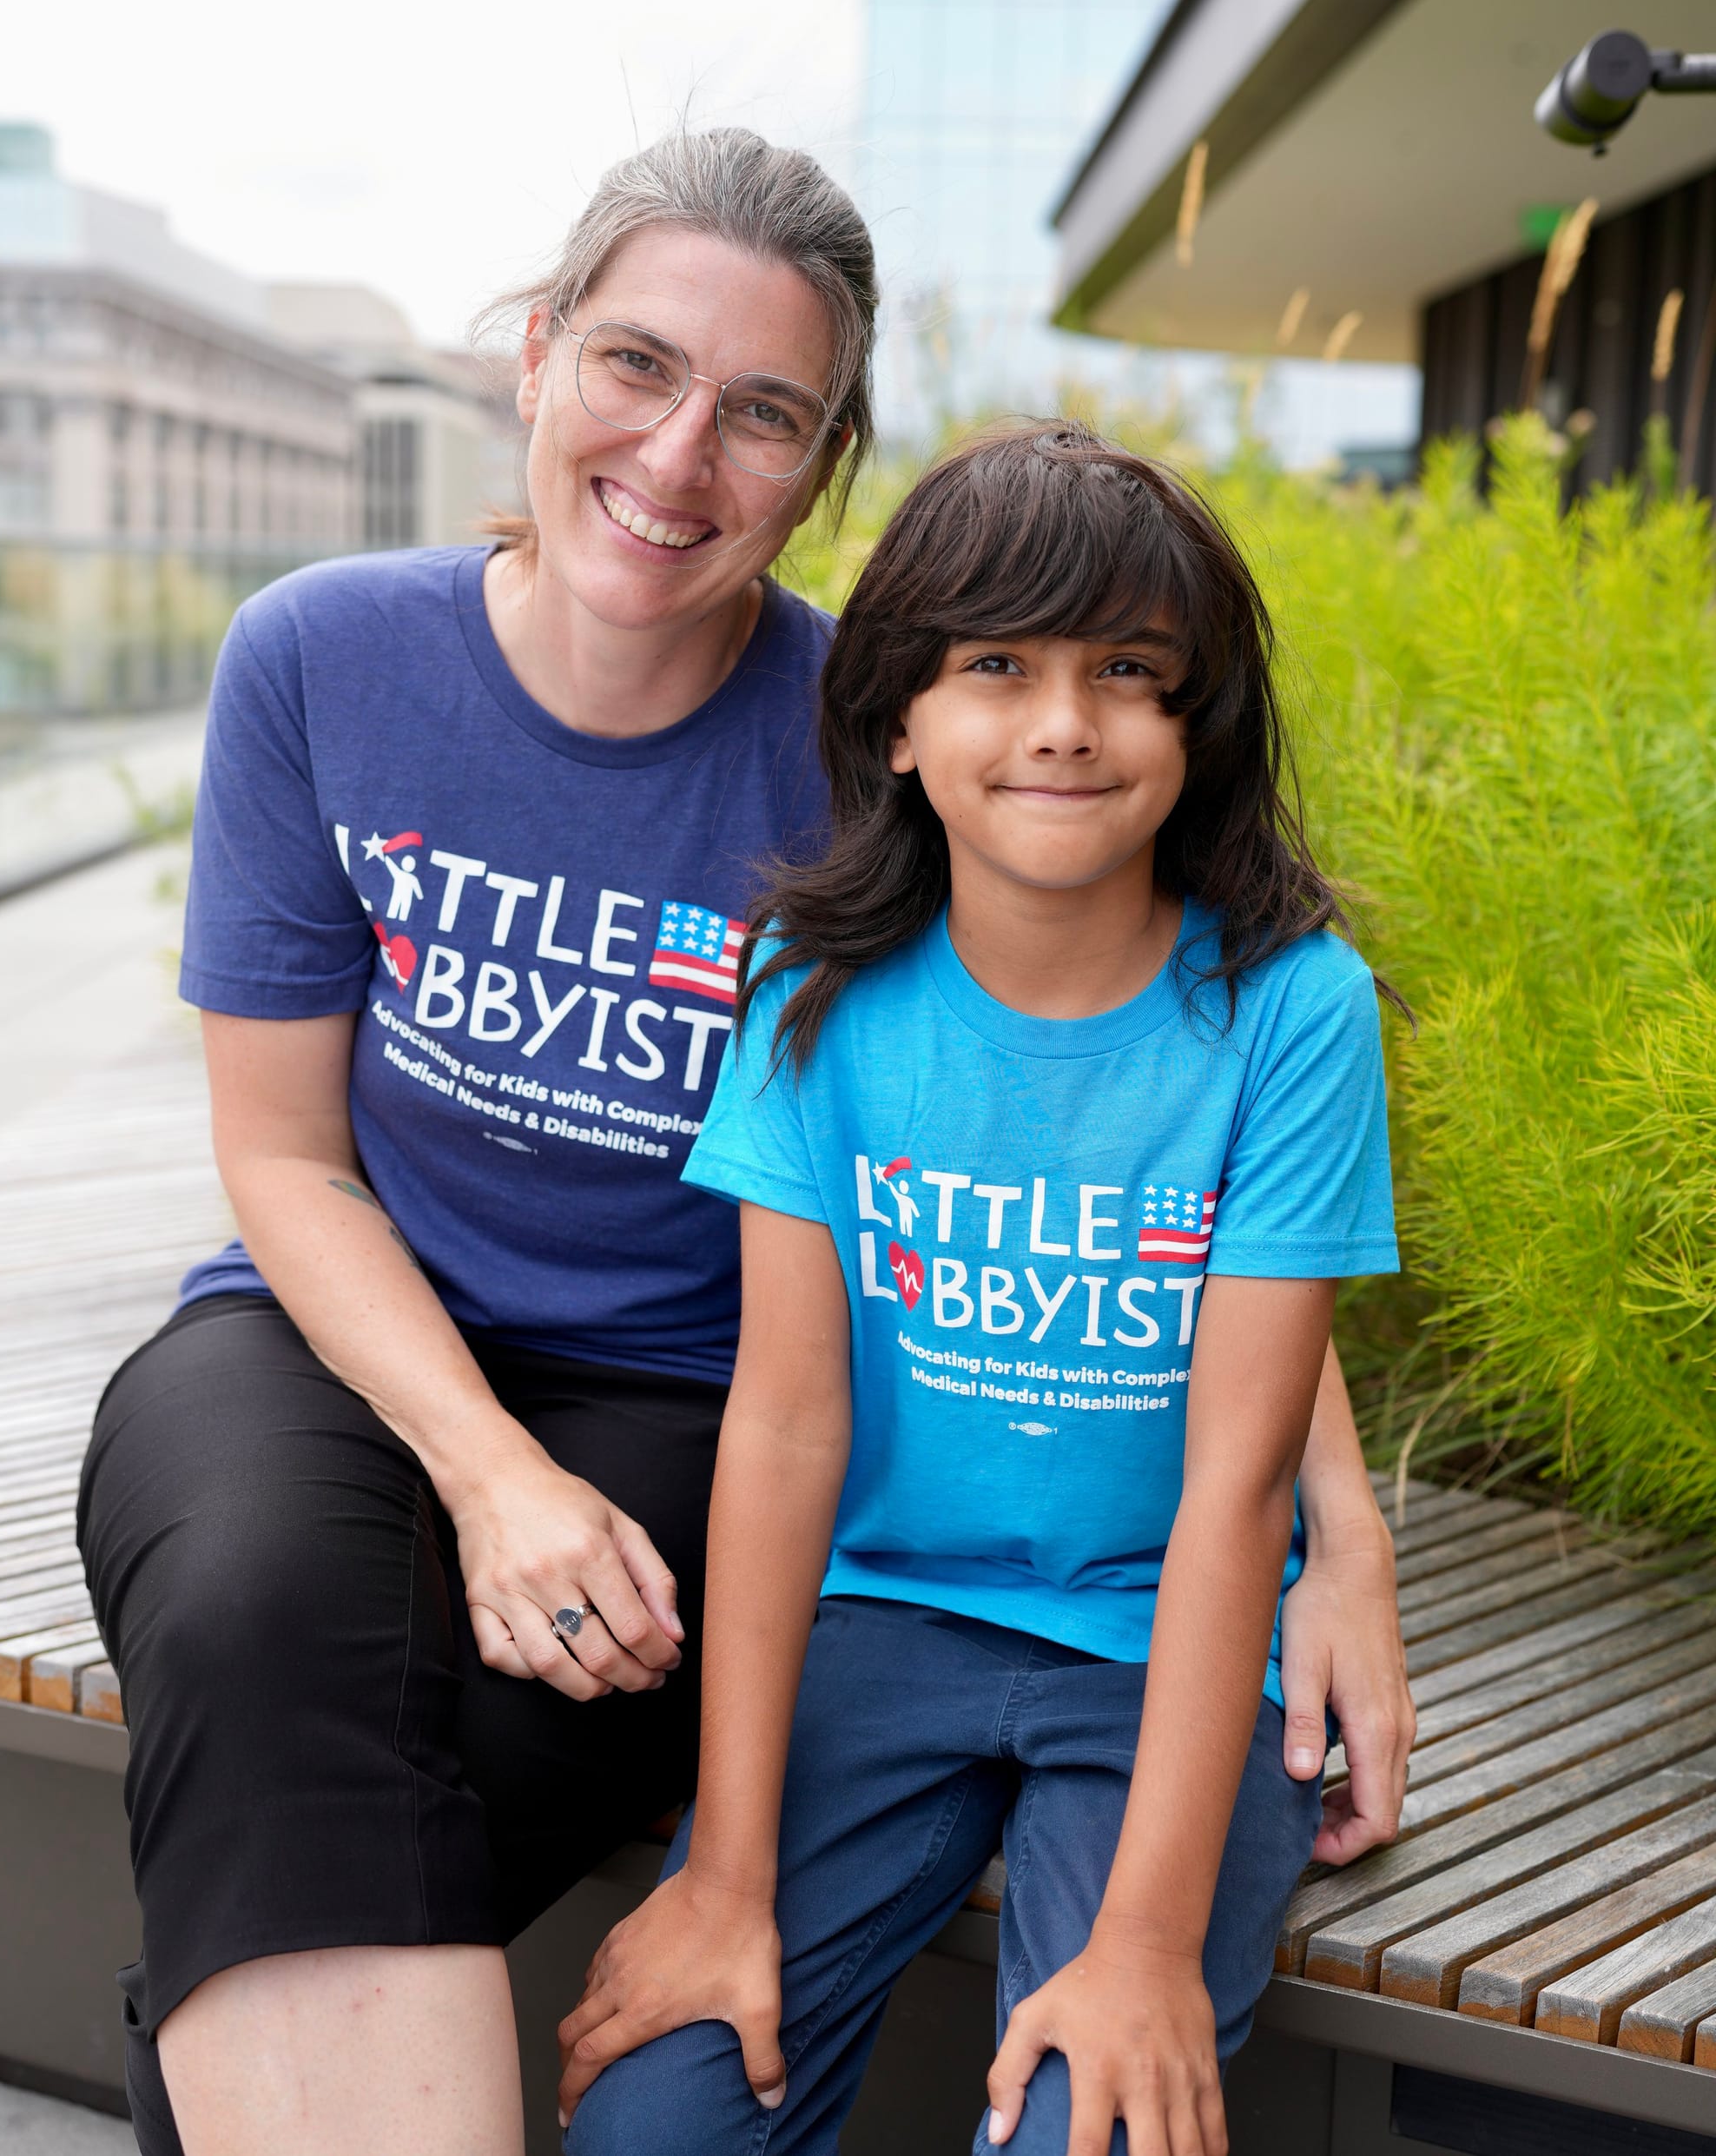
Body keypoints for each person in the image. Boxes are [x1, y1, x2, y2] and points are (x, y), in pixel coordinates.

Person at [75, 127, 1408, 2156]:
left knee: (542, 1713)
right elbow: (283, 1152)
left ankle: (224, 2075)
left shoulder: (883, 732)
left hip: (689, 1392)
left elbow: (1147, 1138)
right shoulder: (320, 659)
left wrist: (1346, 1530)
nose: (681, 456)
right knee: (259, 1606)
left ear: (825, 466)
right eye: (632, 366)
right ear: (534, 357)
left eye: (763, 413)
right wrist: (487, 1471)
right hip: (332, 1323)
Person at [557, 426, 1403, 2156]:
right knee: (655, 2127)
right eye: (995, 665)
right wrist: (724, 1873)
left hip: (1160, 1637)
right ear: (895, 717)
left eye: (1130, 674)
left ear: (1197, 725)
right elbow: (786, 1422)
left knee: (1092, 2126)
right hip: (882, 1621)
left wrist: (1147, 1944)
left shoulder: (1294, 1009)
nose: (1064, 723)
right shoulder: (812, 987)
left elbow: (1239, 1490)